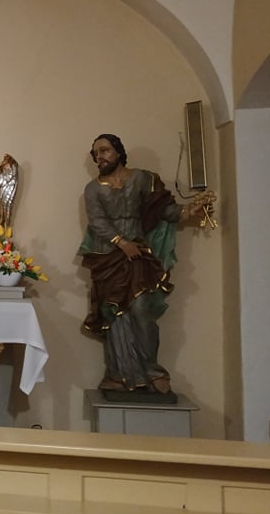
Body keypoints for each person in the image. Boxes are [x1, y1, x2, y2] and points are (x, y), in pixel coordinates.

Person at [78, 134, 208, 395]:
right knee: (114, 313)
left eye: (104, 150)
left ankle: (152, 370)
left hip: (138, 254)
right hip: (109, 257)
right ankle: (119, 374)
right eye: (96, 153)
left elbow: (163, 210)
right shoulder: (93, 189)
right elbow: (98, 221)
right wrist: (121, 242)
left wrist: (187, 211)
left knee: (141, 309)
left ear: (118, 152)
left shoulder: (142, 179)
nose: (100, 157)